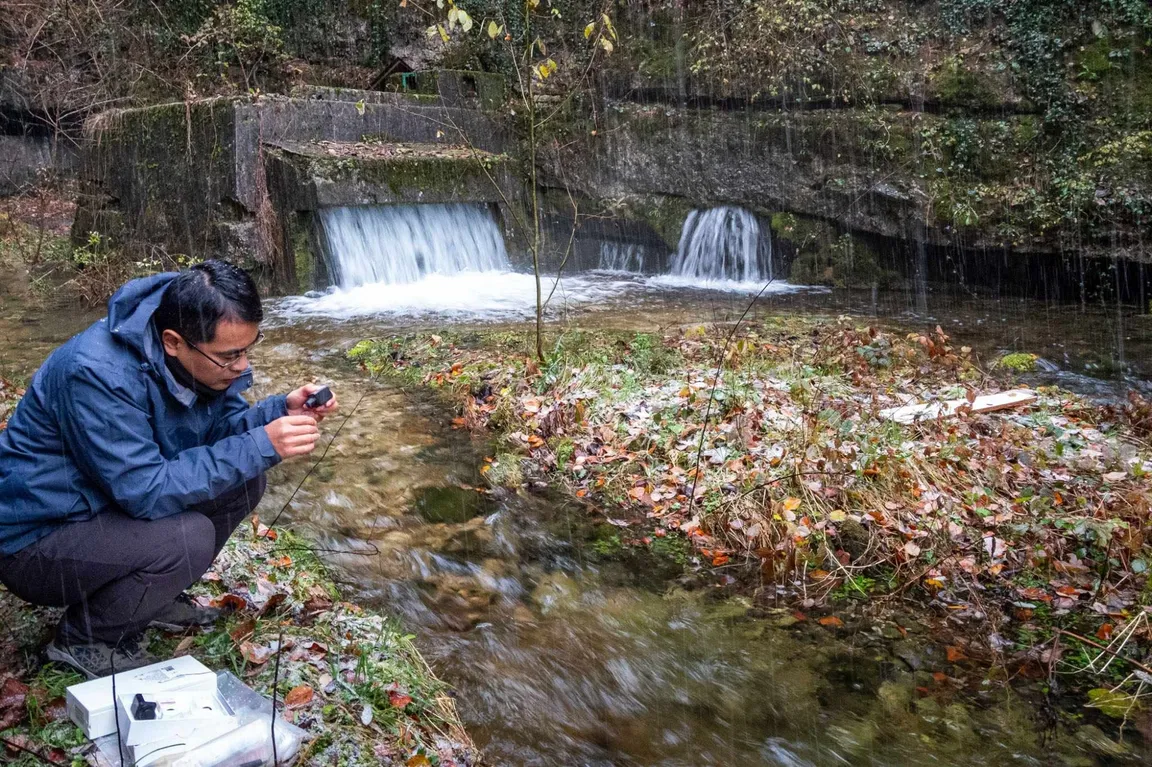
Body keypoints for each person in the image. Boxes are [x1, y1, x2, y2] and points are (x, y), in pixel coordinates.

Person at [0, 260, 338, 678]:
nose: (241, 365)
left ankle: (149, 599)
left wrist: (275, 412)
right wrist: (262, 443)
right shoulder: (95, 374)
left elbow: (219, 434)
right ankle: (84, 639)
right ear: (174, 341)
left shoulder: (199, 358)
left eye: (248, 348)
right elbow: (146, 491)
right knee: (187, 538)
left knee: (246, 479)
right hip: (37, 540)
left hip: (103, 505)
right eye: (230, 355)